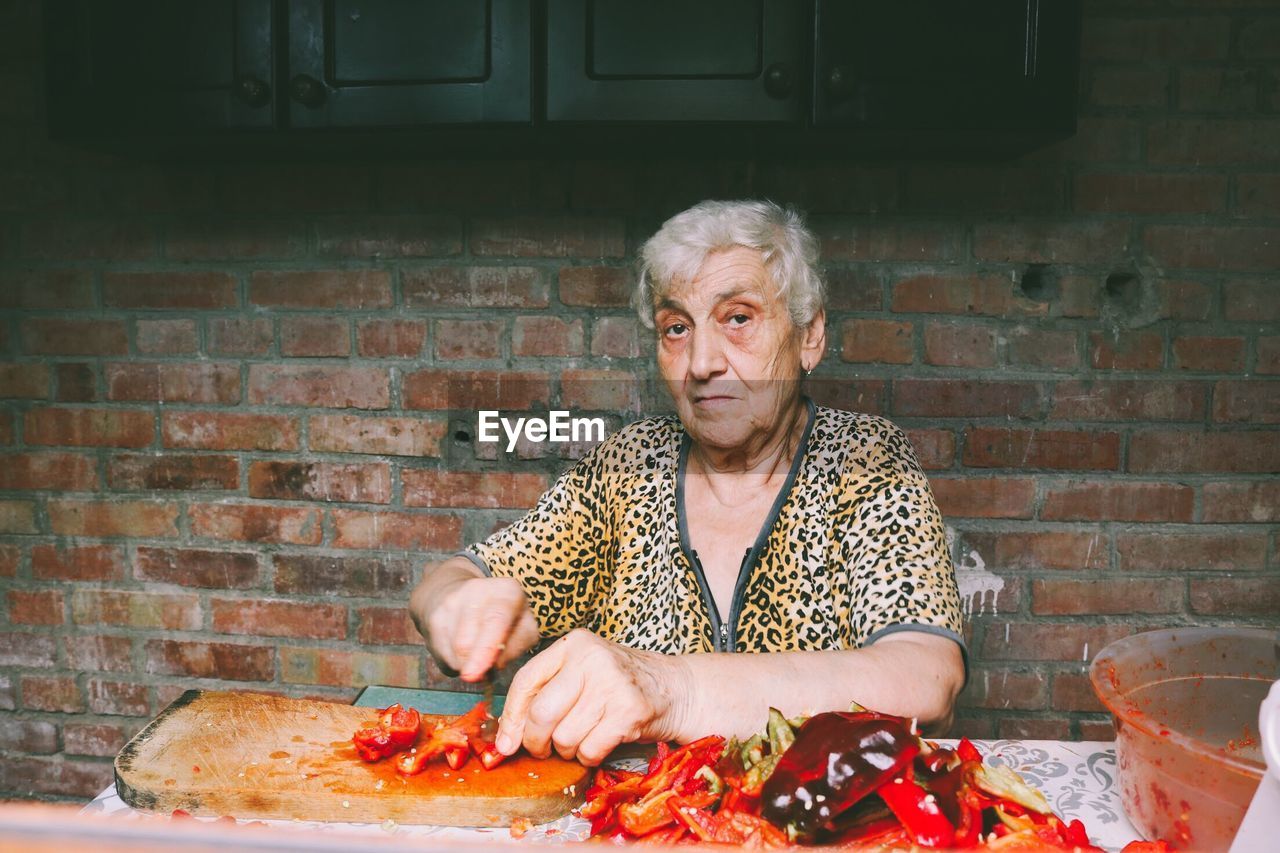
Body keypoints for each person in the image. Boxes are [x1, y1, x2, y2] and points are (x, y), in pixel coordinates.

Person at [409, 199, 966, 766]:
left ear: (810, 335)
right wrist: (457, 607)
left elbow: (926, 678)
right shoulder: (627, 469)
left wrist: (672, 689)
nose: (701, 362)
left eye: (739, 318)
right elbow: (452, 578)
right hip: (639, 826)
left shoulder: (865, 462)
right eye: (677, 328)